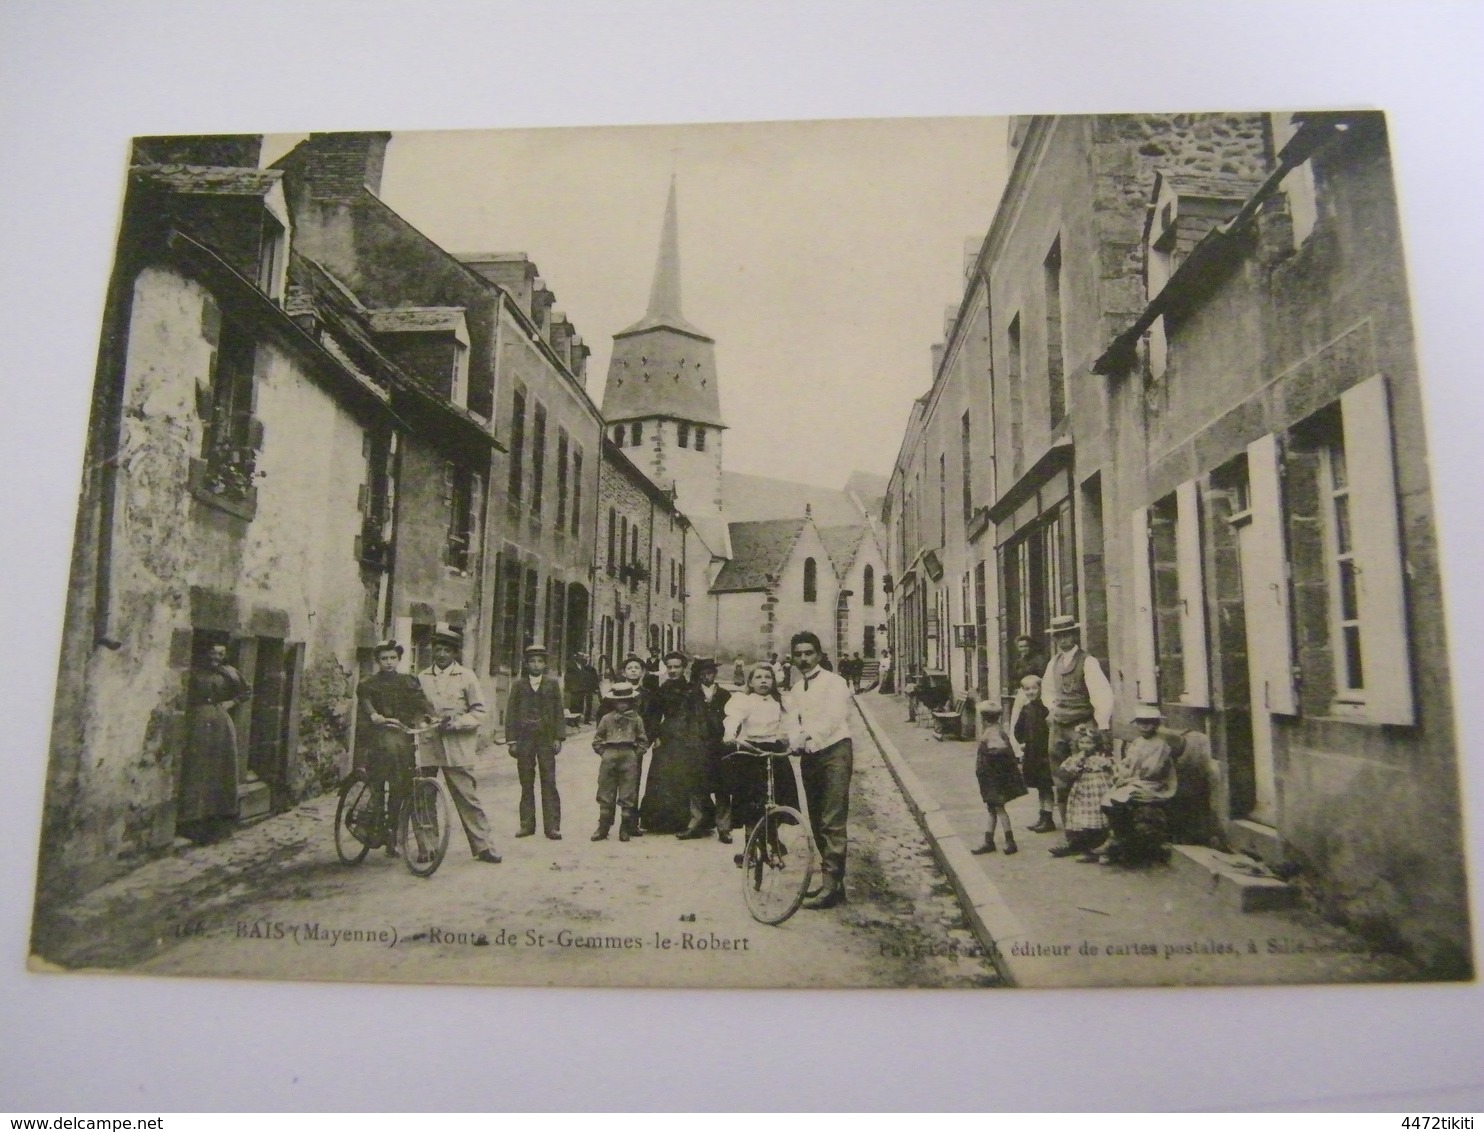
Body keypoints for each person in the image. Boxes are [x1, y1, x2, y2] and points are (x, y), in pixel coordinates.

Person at [417, 626, 501, 864]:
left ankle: (483, 846)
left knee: (467, 796)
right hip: (428, 743)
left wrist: (456, 723)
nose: (441, 654)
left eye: (446, 650)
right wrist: (425, 720)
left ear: (455, 653)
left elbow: (480, 712)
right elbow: (416, 708)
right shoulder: (422, 677)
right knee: (423, 795)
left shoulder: (467, 677)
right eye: (437, 649)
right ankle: (427, 847)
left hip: (457, 745)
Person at [785, 630, 855, 909]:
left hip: (835, 752)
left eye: (808, 653)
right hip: (810, 756)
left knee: (832, 818)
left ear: (819, 655)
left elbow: (835, 717)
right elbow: (792, 720)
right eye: (798, 654)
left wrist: (808, 736)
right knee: (815, 817)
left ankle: (831, 883)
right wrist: (794, 739)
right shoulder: (795, 689)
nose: (803, 659)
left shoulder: (834, 683)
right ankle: (833, 884)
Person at [357, 640, 434, 855]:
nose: (388, 662)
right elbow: (366, 701)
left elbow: (421, 701)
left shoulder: (408, 681)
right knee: (380, 785)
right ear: (378, 661)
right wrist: (374, 715)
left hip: (402, 733)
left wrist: (433, 716)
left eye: (392, 658)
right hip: (380, 734)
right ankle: (372, 822)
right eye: (384, 659)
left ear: (399, 660)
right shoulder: (368, 683)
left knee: (400, 789)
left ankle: (392, 838)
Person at [1040, 615, 1113, 828]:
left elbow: (1102, 694)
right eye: (1059, 636)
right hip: (1059, 727)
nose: (1063, 640)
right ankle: (1070, 831)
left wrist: (1103, 724)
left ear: (1074, 635)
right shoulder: (1053, 663)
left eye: (1067, 635)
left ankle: (1090, 829)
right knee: (1061, 778)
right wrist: (1053, 710)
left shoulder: (1088, 662)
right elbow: (1047, 691)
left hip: (1081, 727)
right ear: (1054, 639)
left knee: (1086, 778)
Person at [178, 638, 252, 844]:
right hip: (198, 720)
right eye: (212, 653)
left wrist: (231, 703)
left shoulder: (229, 672)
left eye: (220, 654)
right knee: (198, 764)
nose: (216, 658)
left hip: (220, 720)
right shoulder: (195, 673)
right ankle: (193, 817)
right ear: (205, 654)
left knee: (221, 763)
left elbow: (246, 691)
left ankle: (220, 815)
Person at [723, 662, 803, 850]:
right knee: (750, 799)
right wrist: (730, 735)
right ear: (750, 682)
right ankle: (749, 845)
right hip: (750, 750)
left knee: (776, 794)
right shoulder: (744, 700)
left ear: (774, 681)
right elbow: (733, 718)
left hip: (773, 749)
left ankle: (772, 837)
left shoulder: (782, 702)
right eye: (758, 677)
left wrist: (796, 741)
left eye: (767, 677)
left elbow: (791, 724)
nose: (763, 681)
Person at [1098, 704, 1179, 865]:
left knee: (1122, 798)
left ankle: (1122, 842)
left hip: (1152, 783)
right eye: (1141, 722)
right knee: (1108, 800)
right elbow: (1128, 763)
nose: (1144, 726)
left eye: (1149, 722)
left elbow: (1151, 771)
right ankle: (1119, 838)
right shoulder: (1138, 742)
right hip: (1135, 780)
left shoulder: (1160, 745)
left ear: (1156, 724)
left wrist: (1128, 778)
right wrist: (1120, 772)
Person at [639, 651, 706, 833]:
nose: (673, 670)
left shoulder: (692, 689)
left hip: (688, 736)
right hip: (667, 736)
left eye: (677, 667)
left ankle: (688, 821)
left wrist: (696, 738)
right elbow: (654, 716)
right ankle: (662, 822)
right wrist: (655, 737)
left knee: (686, 777)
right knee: (663, 776)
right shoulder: (661, 690)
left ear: (684, 668)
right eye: (669, 667)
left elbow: (699, 716)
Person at [505, 642, 566, 840]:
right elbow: (511, 714)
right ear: (526, 663)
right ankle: (526, 824)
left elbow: (558, 712)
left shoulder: (552, 685)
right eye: (532, 661)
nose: (536, 665)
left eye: (540, 661)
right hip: (524, 739)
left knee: (548, 780)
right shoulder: (518, 685)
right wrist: (512, 740)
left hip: (546, 738)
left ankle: (552, 826)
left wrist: (558, 737)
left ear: (545, 664)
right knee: (526, 781)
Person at [679, 658, 733, 842]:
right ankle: (695, 824)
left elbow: (733, 720)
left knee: (722, 788)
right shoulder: (691, 695)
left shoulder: (725, 695)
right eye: (702, 673)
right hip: (698, 746)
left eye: (709, 672)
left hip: (719, 747)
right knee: (696, 786)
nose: (706, 676)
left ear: (714, 674)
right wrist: (689, 740)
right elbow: (684, 720)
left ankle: (724, 828)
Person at [590, 681, 648, 842]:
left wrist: (634, 755)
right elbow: (597, 739)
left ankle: (625, 828)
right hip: (609, 756)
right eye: (618, 701)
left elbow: (643, 740)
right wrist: (604, 753)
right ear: (613, 702)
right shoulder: (606, 719)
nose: (622, 704)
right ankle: (603, 827)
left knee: (628, 792)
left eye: (626, 701)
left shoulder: (636, 719)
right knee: (605, 791)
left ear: (631, 702)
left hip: (628, 756)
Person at [1049, 723, 1115, 862]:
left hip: (1098, 790)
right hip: (1082, 789)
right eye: (1082, 742)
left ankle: (1095, 848)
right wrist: (1078, 761)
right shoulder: (1078, 757)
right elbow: (1067, 770)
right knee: (1082, 817)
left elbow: (1112, 769)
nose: (1085, 746)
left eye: (1089, 743)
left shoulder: (1100, 758)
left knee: (1095, 817)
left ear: (1096, 744)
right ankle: (1079, 845)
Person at [970, 702, 1025, 856]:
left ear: (984, 718)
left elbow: (998, 750)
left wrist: (988, 757)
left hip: (993, 778)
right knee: (992, 809)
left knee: (999, 809)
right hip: (990, 777)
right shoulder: (994, 729)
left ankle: (1010, 841)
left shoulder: (992, 732)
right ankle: (989, 841)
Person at [1009, 673, 1057, 833]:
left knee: (1046, 785)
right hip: (1032, 752)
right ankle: (1042, 816)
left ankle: (1048, 818)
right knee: (1039, 785)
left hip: (1044, 752)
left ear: (1041, 688)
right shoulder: (1026, 708)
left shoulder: (1046, 708)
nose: (1031, 692)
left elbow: (1052, 730)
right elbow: (1018, 728)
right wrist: (1023, 742)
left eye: (1034, 688)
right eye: (1027, 689)